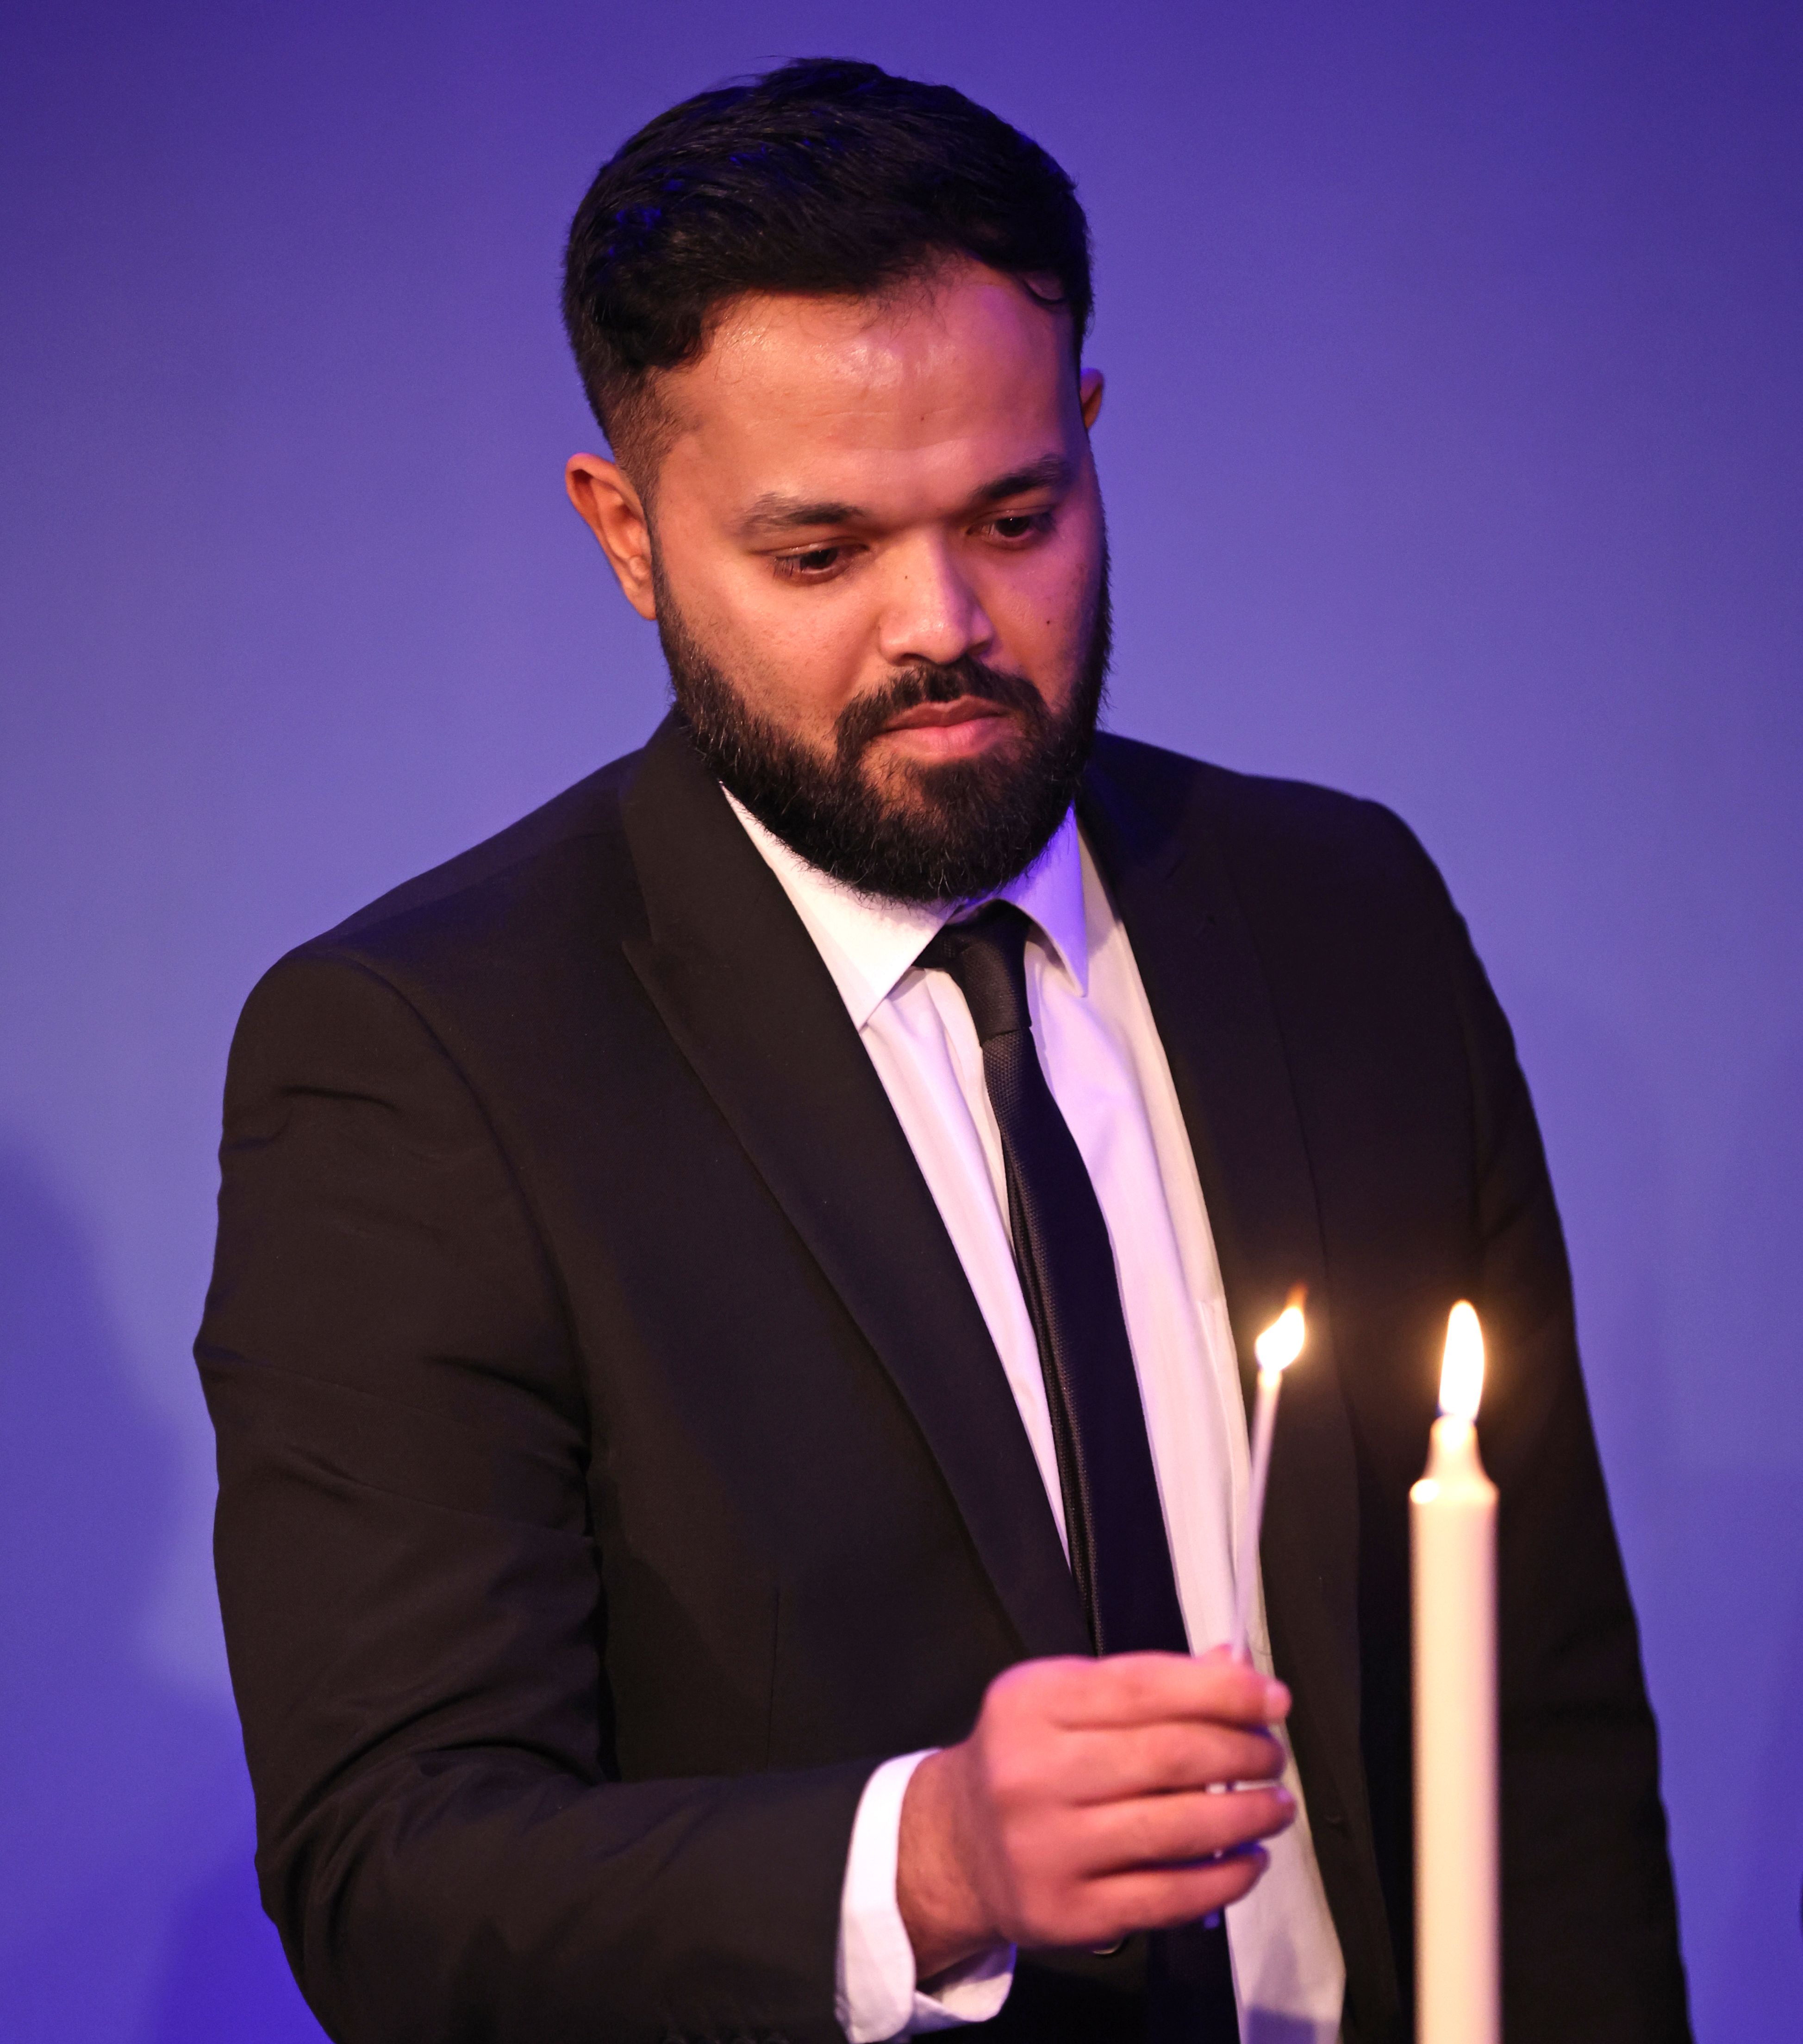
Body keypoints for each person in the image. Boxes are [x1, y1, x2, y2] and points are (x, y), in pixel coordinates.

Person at [196, 57, 1689, 2044]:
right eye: (818, 556)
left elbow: (1542, 1719)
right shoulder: (419, 1058)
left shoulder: (1346, 914)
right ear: (627, 536)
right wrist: (929, 1859)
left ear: (1088, 431)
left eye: (1013, 513)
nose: (943, 626)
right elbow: (393, 1878)